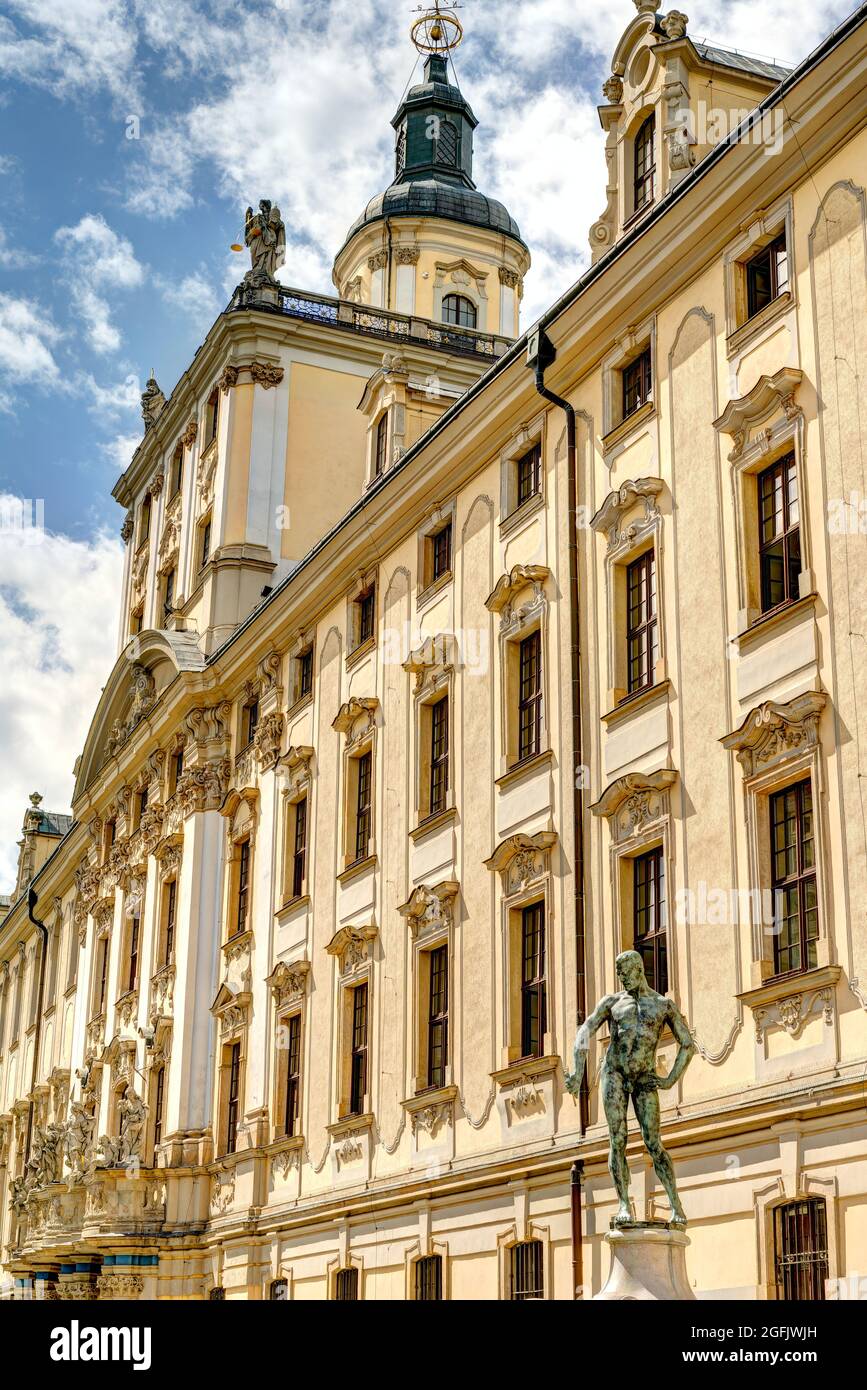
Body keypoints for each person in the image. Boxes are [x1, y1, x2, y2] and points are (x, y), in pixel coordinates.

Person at [564, 949, 696, 1228]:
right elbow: (585, 1031)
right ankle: (624, 1204)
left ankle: (676, 1205)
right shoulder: (613, 1002)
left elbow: (687, 1043)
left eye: (624, 972)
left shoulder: (662, 1005)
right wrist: (577, 1071)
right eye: (618, 974)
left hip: (644, 1077)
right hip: (615, 1074)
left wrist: (670, 1079)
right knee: (618, 1138)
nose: (621, 978)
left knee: (653, 1142)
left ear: (638, 969)